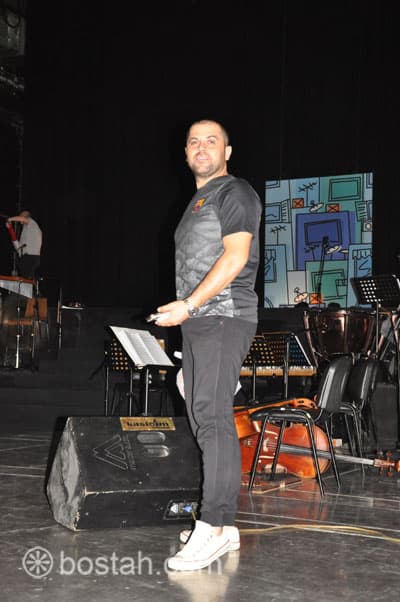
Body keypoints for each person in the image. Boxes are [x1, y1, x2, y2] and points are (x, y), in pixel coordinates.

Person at [156, 119, 262, 571]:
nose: (202, 147)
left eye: (211, 141)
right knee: (204, 418)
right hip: (202, 321)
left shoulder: (234, 192)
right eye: (194, 142)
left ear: (227, 151)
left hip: (223, 315)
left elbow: (236, 257)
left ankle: (214, 527)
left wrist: (188, 305)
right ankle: (225, 526)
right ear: (185, 153)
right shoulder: (197, 201)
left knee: (214, 419)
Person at [6, 210, 42, 279]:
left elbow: (23, 219)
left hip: (31, 257)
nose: (19, 217)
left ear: (27, 216)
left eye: (21, 215)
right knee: (24, 280)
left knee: (28, 280)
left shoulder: (32, 223)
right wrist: (10, 229)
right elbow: (17, 244)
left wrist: (9, 219)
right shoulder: (26, 231)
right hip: (25, 258)